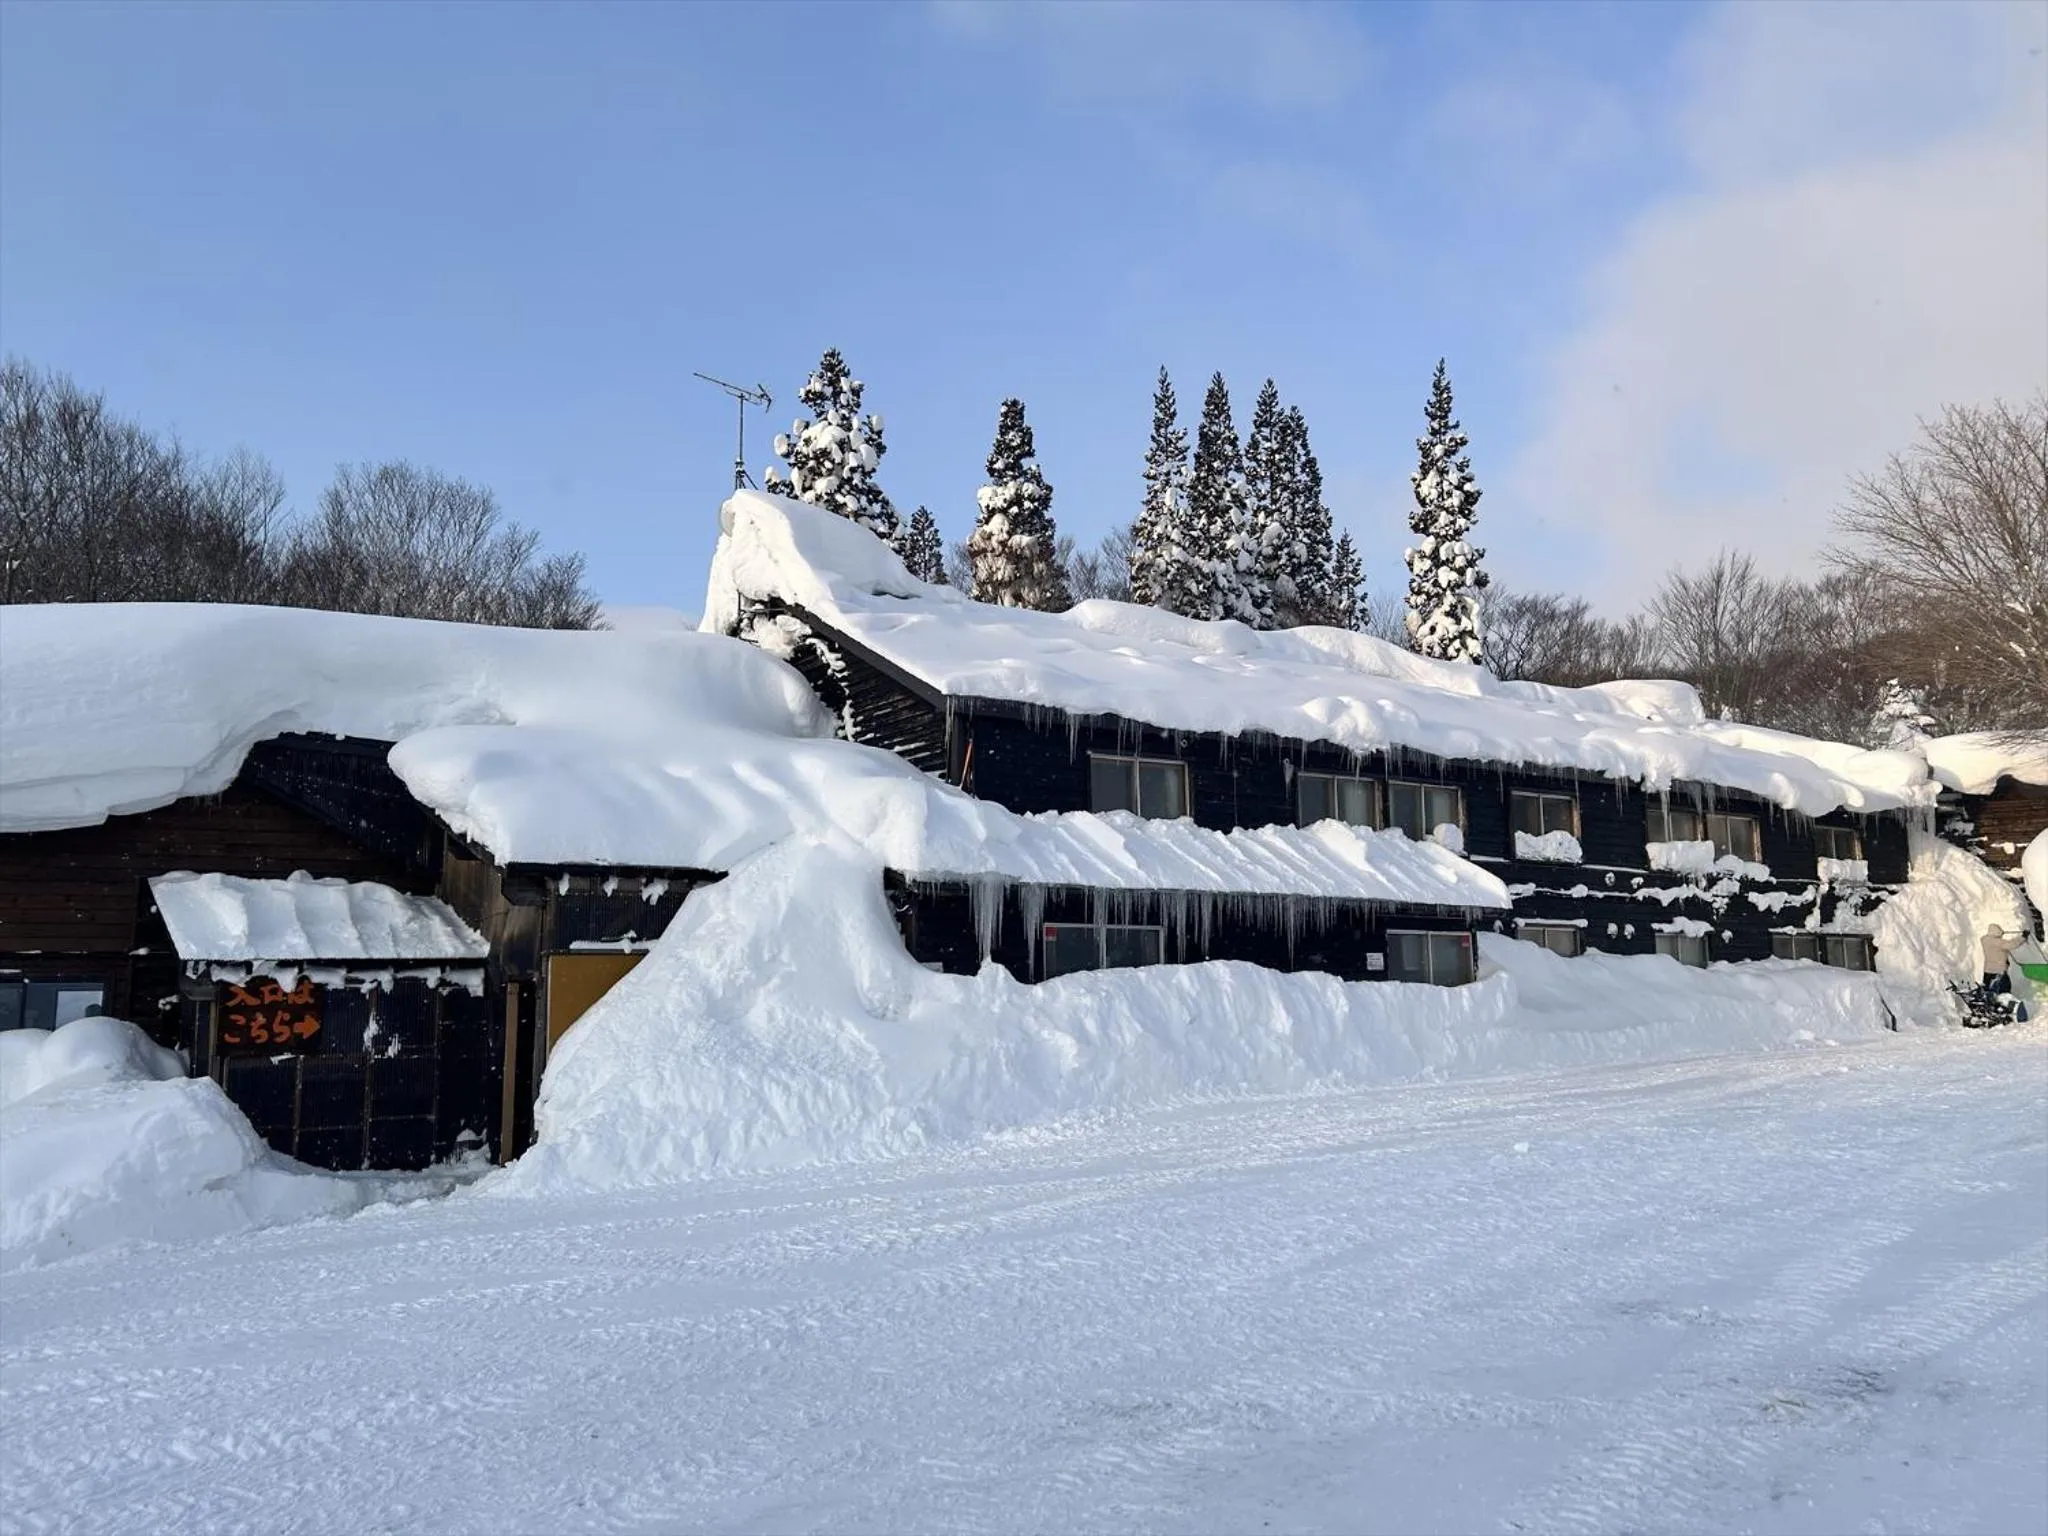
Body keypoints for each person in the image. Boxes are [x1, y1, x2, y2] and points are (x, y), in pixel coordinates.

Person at [1981, 924, 2017, 994]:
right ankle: (2003, 1003)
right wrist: (2023, 937)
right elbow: (2012, 944)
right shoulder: (1998, 942)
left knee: (1988, 990)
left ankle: (1988, 1003)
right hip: (1999, 971)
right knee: (2004, 990)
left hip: (1987, 971)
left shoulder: (1985, 940)